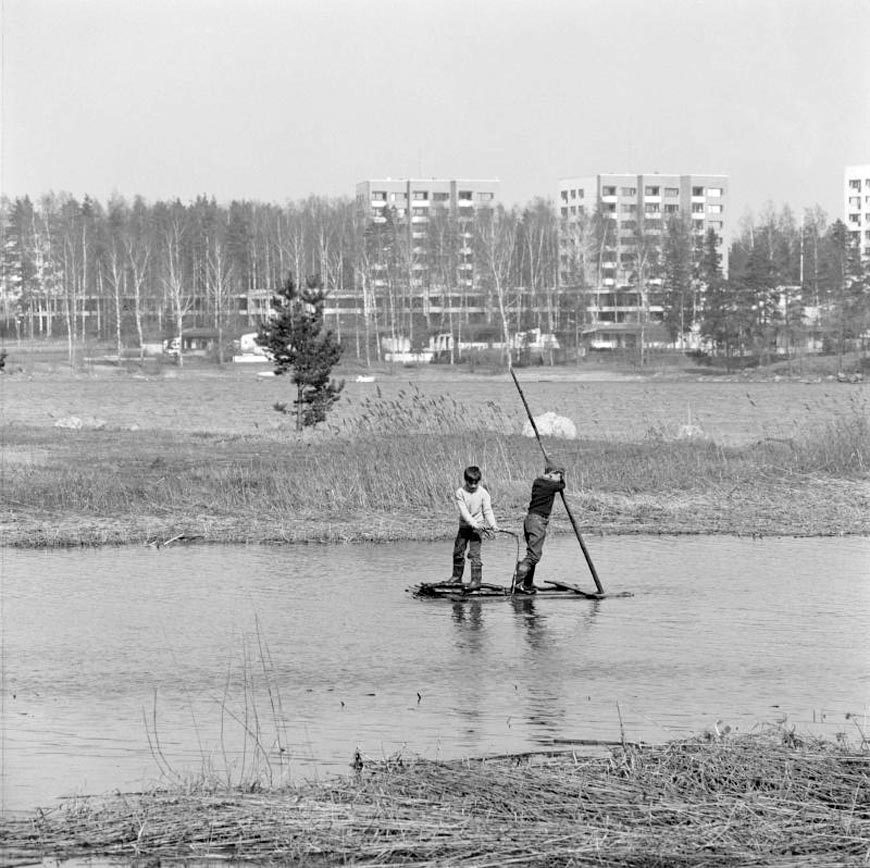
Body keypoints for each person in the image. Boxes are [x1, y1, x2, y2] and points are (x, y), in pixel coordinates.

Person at [514, 461, 566, 595]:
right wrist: (560, 479)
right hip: (537, 522)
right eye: (559, 475)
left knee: (532, 553)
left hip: (530, 520)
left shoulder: (538, 482)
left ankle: (527, 583)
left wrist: (555, 475)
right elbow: (562, 485)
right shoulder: (550, 485)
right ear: (552, 474)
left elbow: (558, 483)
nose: (560, 478)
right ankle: (518, 584)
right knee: (534, 556)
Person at [449, 465, 499, 590]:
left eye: (475, 483)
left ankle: (476, 581)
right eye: (470, 483)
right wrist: (473, 523)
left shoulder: (484, 493)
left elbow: (487, 510)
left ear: (479, 481)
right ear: (466, 480)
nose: (472, 486)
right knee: (458, 551)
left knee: (474, 554)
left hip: (478, 528)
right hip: (465, 526)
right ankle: (456, 578)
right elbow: (464, 512)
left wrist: (493, 525)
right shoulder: (460, 492)